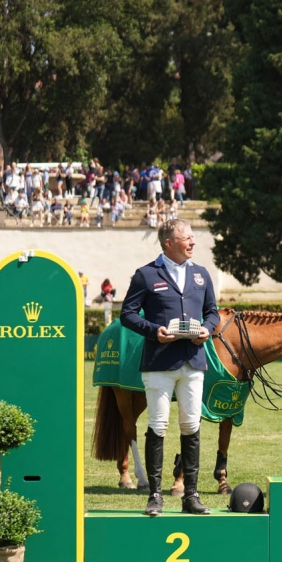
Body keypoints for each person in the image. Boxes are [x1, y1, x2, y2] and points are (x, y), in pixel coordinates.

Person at [121, 219, 220, 516]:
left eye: (192, 238)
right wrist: (154, 331)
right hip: (159, 362)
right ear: (168, 243)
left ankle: (191, 495)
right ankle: (155, 495)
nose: (193, 242)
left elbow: (212, 313)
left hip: (193, 360)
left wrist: (207, 329)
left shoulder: (201, 274)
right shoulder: (146, 275)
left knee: (191, 425)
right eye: (187, 238)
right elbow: (128, 314)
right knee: (159, 425)